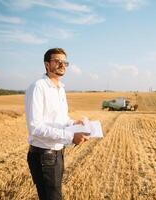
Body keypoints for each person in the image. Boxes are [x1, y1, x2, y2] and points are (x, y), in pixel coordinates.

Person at [25, 48, 89, 200]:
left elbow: (60, 119)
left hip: (57, 154)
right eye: (57, 61)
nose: (62, 65)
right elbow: (36, 127)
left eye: (65, 62)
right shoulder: (38, 87)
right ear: (47, 64)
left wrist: (74, 123)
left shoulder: (60, 88)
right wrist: (71, 137)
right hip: (44, 155)